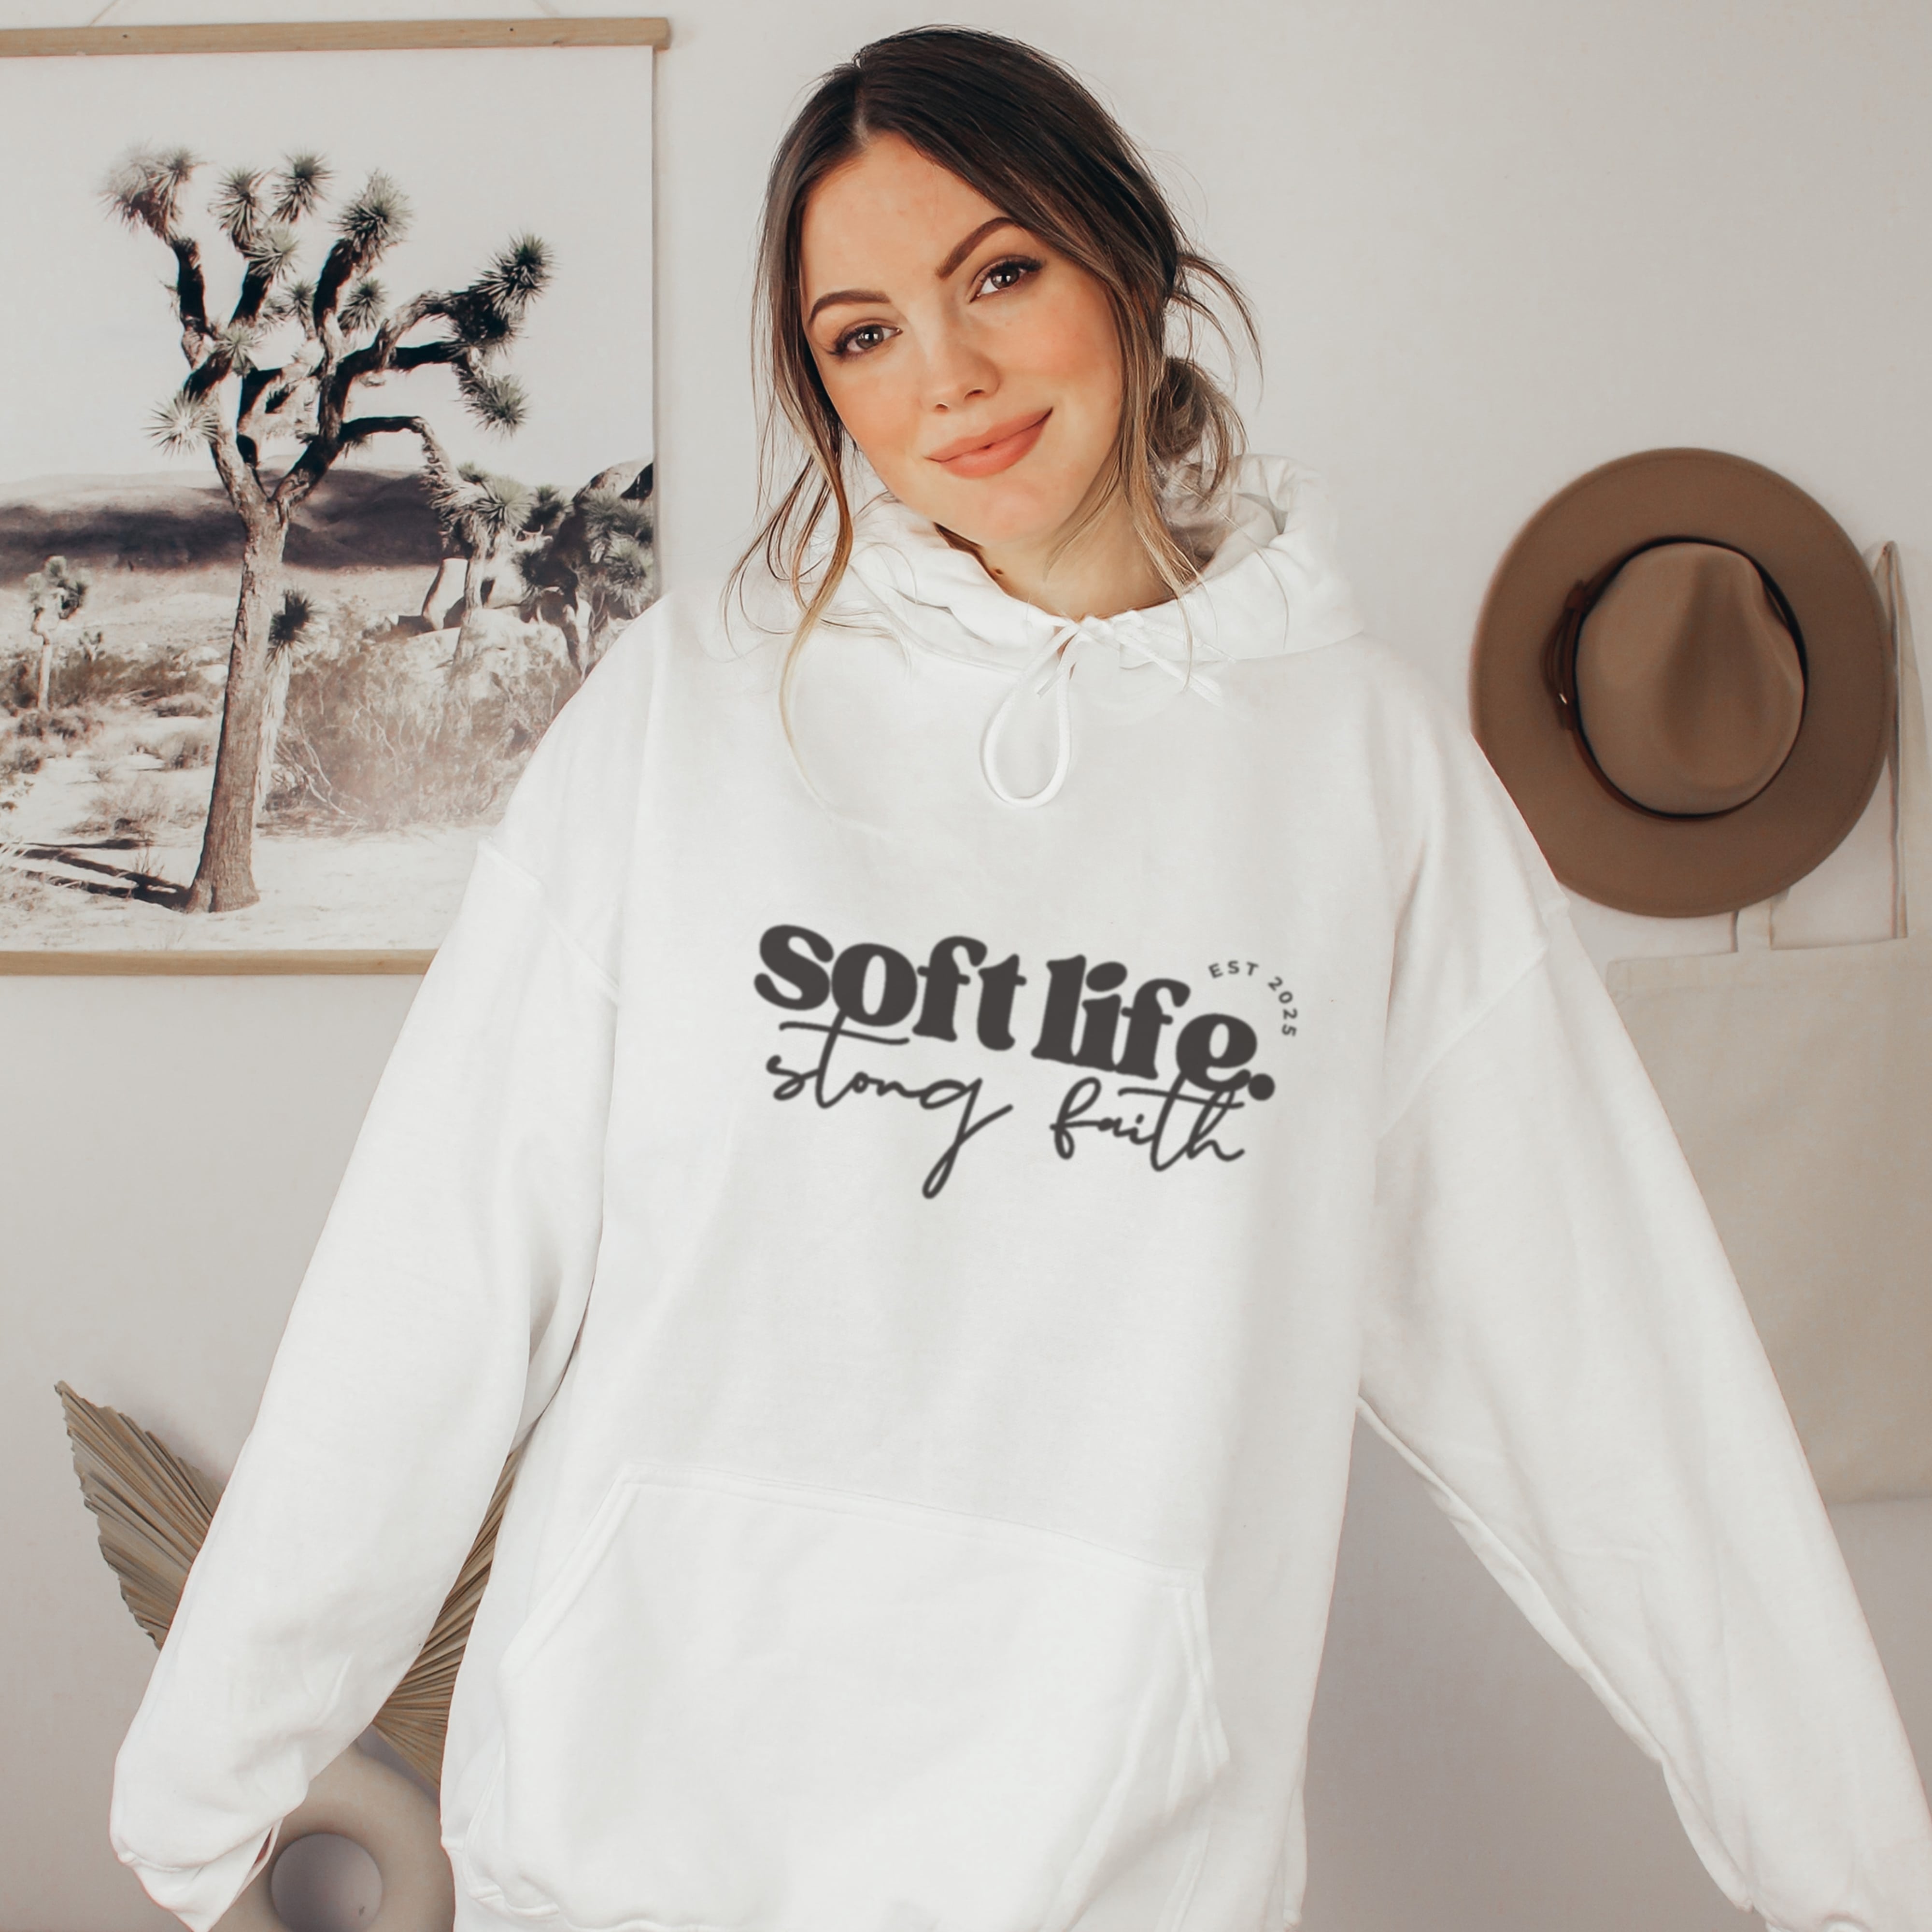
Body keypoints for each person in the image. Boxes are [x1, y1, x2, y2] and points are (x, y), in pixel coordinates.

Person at [110, 27, 1932, 1932]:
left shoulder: (1359, 774)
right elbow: (442, 1246)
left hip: (1107, 1868)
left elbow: (1603, 1353)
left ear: (1125, 262)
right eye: (863, 334)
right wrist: (214, 1761)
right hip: (628, 1840)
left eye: (997, 275)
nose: (950, 376)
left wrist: (1855, 1871)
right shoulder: (691, 716)